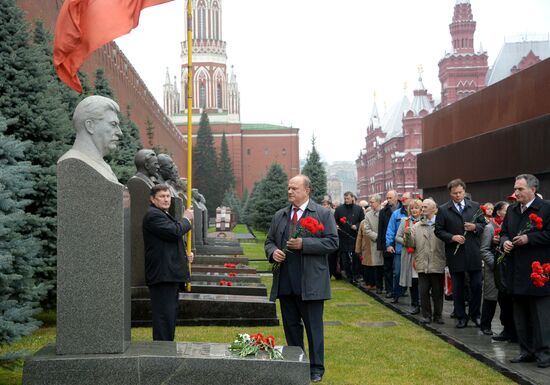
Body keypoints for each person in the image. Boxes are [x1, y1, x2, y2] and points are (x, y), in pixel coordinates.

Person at [265, 174, 338, 383]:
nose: (290, 192)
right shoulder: (280, 215)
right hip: (286, 282)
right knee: (291, 328)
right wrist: (272, 253)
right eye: (288, 188)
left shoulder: (322, 213)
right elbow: (269, 241)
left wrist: (305, 244)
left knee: (314, 328)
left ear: (307, 190)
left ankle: (316, 368)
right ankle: (297, 363)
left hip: (311, 283)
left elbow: (333, 243)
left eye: (294, 188)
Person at [500, 174, 550, 367]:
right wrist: (504, 242)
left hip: (539, 271)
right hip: (516, 270)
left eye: (520, 189)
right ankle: (526, 350)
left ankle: (544, 353)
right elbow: (504, 231)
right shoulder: (512, 210)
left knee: (540, 316)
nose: (516, 192)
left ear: (533, 189)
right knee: (520, 314)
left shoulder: (546, 208)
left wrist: (529, 239)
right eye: (515, 188)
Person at [142, 184, 194, 341]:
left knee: (169, 316)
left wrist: (185, 256)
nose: (166, 199)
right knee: (164, 318)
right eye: (162, 196)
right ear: (152, 199)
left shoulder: (162, 214)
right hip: (162, 276)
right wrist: (186, 218)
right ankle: (162, 352)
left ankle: (165, 349)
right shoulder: (153, 215)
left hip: (168, 275)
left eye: (167, 196)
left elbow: (167, 243)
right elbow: (175, 231)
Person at [435, 179, 485, 328]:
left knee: (476, 285)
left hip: (473, 253)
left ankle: (475, 314)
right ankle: (461, 316)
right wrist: (452, 237)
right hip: (455, 254)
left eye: (460, 192)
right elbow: (438, 230)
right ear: (450, 193)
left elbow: (483, 224)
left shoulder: (475, 206)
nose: (457, 195)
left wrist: (475, 226)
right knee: (458, 287)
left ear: (464, 191)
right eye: (454, 193)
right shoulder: (444, 209)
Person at [58, 95, 122, 183]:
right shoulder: (73, 163)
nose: (120, 132)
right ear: (90, 125)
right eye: (113, 124)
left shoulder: (104, 166)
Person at [480, 201, 515, 338]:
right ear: (499, 212)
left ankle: (507, 329)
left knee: (504, 301)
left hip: (506, 271)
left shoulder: (509, 226)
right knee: (490, 298)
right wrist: (495, 265)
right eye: (506, 211)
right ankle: (485, 325)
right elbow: (484, 250)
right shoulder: (489, 227)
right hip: (493, 269)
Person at [410, 199, 446, 324]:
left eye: (425, 207)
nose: (422, 209)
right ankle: (426, 315)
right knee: (423, 291)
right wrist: (407, 235)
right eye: (422, 207)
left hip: (437, 262)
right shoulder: (416, 226)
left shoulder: (442, 225)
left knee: (437, 292)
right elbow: (411, 245)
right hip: (422, 263)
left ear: (434, 209)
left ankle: (438, 315)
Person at [396, 198, 422, 314]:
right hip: (409, 254)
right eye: (412, 208)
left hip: (421, 254)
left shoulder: (424, 221)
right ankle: (415, 303)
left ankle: (423, 303)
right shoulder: (405, 221)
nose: (414, 210)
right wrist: (406, 242)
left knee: (422, 281)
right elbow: (397, 237)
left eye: (416, 208)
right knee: (413, 281)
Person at [385, 192, 412, 303]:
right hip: (400, 248)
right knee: (397, 272)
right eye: (403, 198)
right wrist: (389, 244)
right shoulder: (396, 214)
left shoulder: (417, 213)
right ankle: (396, 295)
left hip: (414, 250)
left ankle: (414, 298)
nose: (403, 199)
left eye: (406, 198)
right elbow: (390, 230)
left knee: (414, 275)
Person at [334, 191, 365, 283]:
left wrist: (357, 225)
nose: (346, 200)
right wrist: (336, 225)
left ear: (352, 198)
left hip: (355, 237)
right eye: (345, 199)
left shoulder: (358, 209)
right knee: (345, 258)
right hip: (343, 237)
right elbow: (334, 220)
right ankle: (349, 275)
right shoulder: (339, 209)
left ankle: (356, 274)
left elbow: (363, 221)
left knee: (356, 257)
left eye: (347, 198)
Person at [355, 194, 384, 292]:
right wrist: (378, 238)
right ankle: (375, 285)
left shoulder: (385, 213)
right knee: (373, 266)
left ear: (379, 202)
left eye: (372, 202)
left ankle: (381, 286)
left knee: (382, 267)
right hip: (373, 243)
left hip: (385, 244)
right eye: (370, 202)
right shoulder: (368, 215)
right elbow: (366, 230)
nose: (370, 204)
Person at [378, 190, 401, 298]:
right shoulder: (383, 211)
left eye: (390, 198)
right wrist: (382, 246)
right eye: (387, 198)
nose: (388, 200)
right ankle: (389, 289)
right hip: (388, 243)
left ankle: (400, 289)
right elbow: (381, 229)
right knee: (387, 268)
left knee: (399, 269)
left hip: (401, 243)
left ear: (396, 197)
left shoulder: (403, 209)